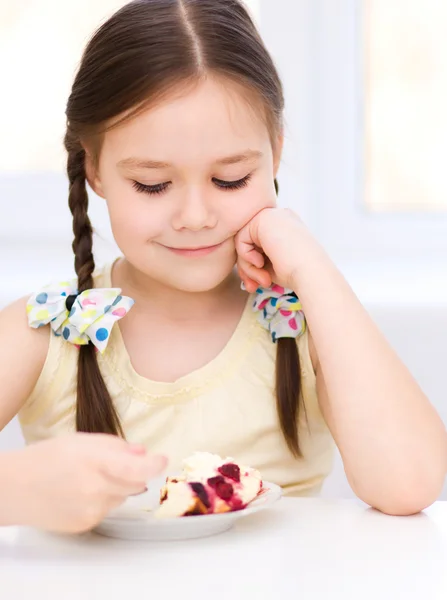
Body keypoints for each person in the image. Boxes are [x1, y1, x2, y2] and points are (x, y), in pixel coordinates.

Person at [1, 0, 446, 533]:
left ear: (274, 156)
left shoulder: (309, 327)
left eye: (230, 179)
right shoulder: (43, 333)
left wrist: (311, 266)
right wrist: (14, 490)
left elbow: (410, 484)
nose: (194, 217)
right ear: (93, 169)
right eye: (152, 184)